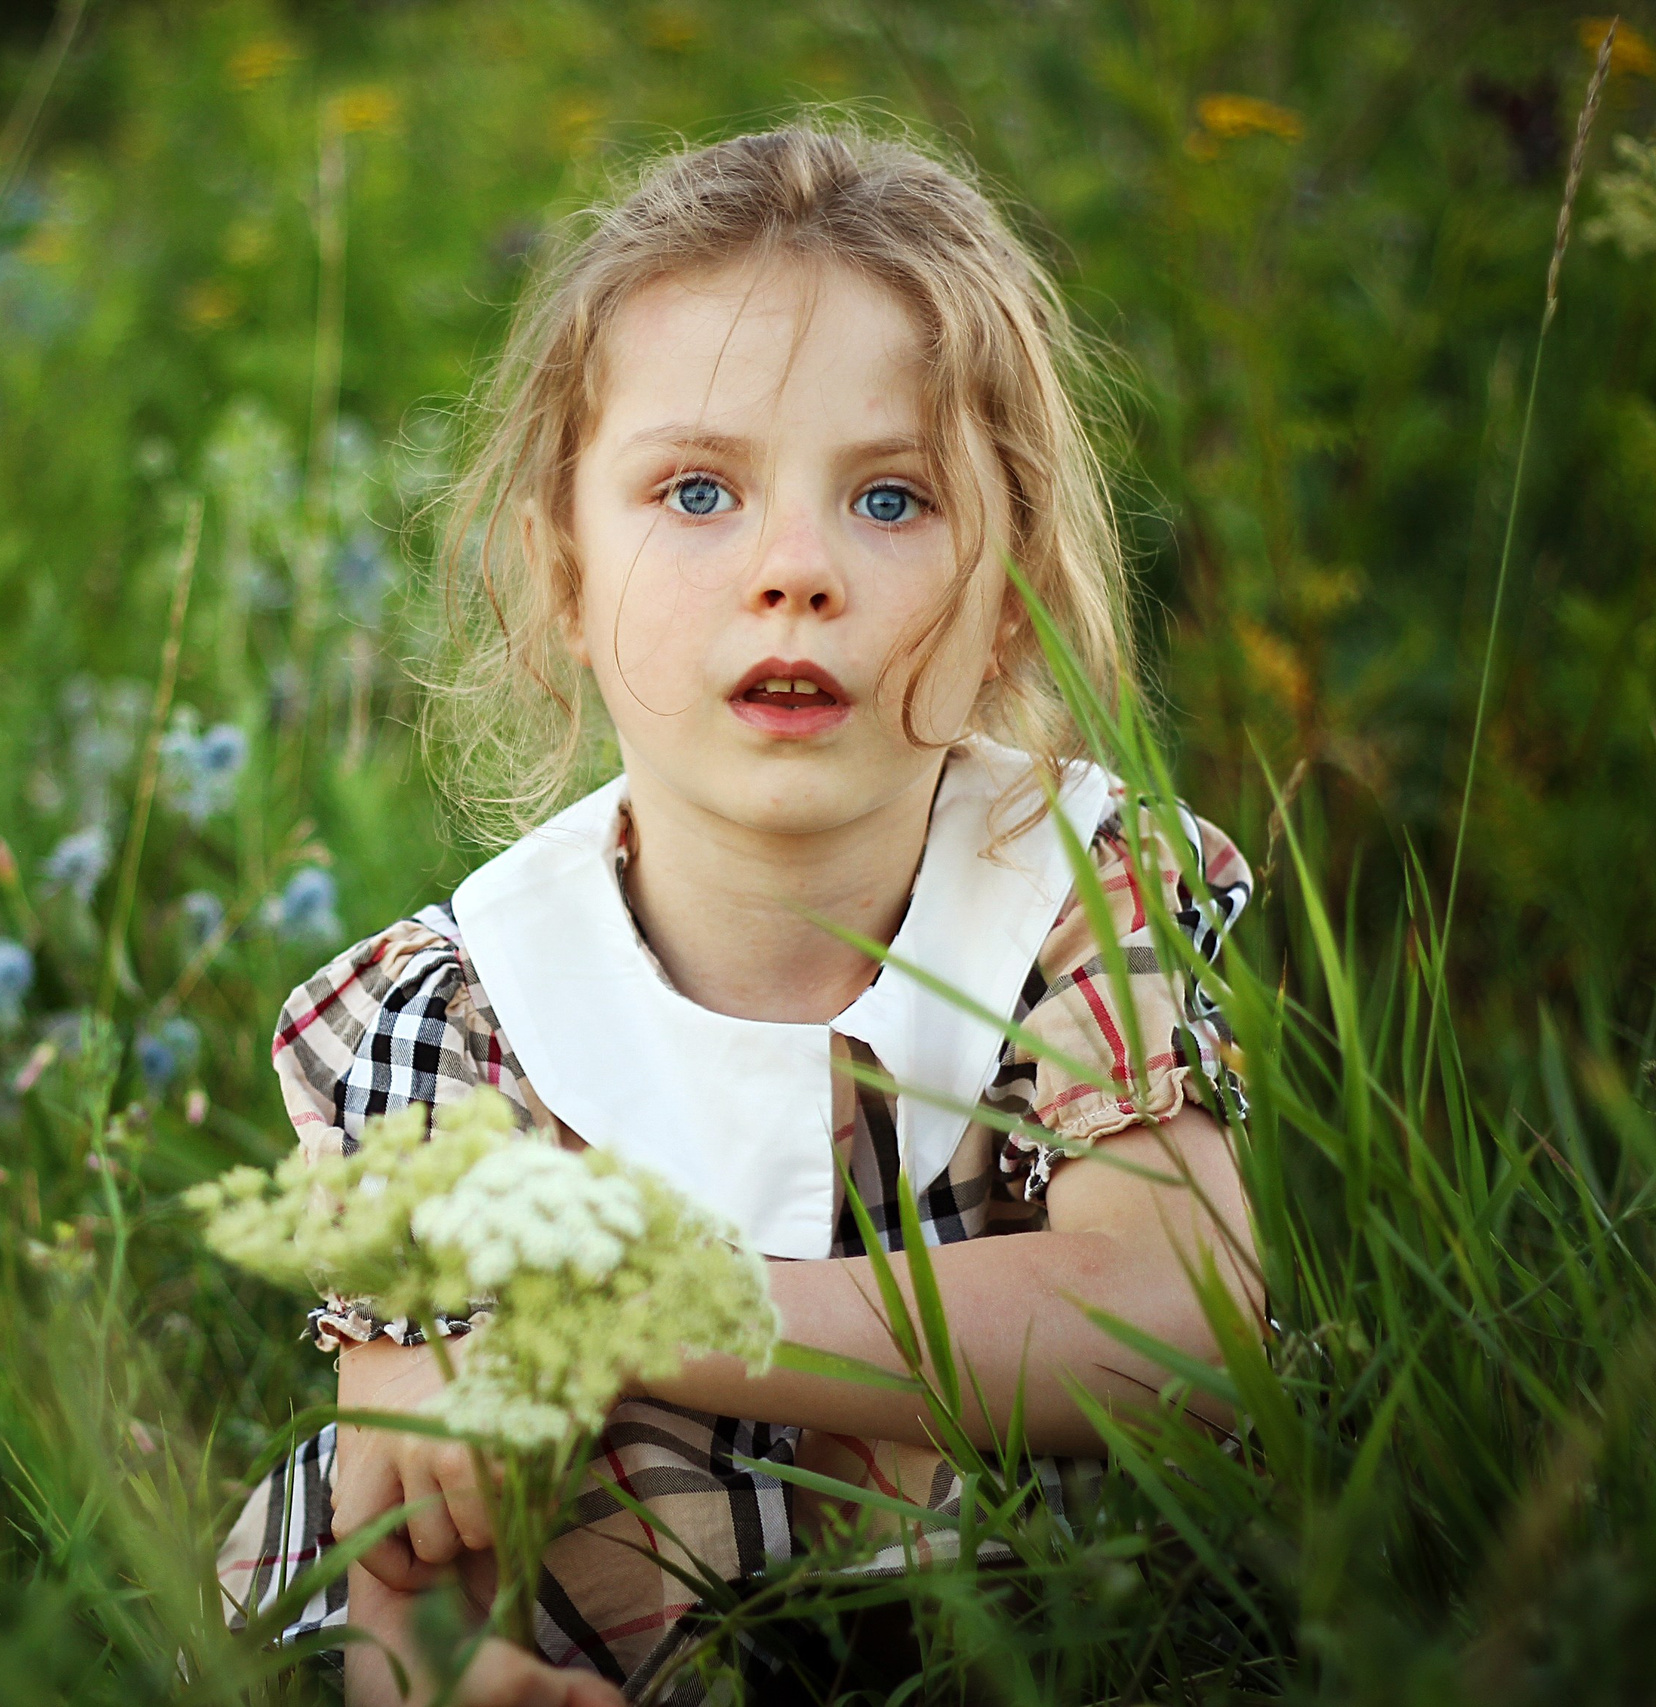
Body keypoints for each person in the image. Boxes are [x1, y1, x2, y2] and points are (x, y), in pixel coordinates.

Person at [215, 120, 1258, 1707]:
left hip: (1046, 1645)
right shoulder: (468, 1014)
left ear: (1012, 593)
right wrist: (450, 1672)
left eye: (893, 499)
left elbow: (1176, 1324)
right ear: (563, 574)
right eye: (698, 491)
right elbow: (409, 1512)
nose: (795, 570)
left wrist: (661, 1319)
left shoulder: (1070, 899)